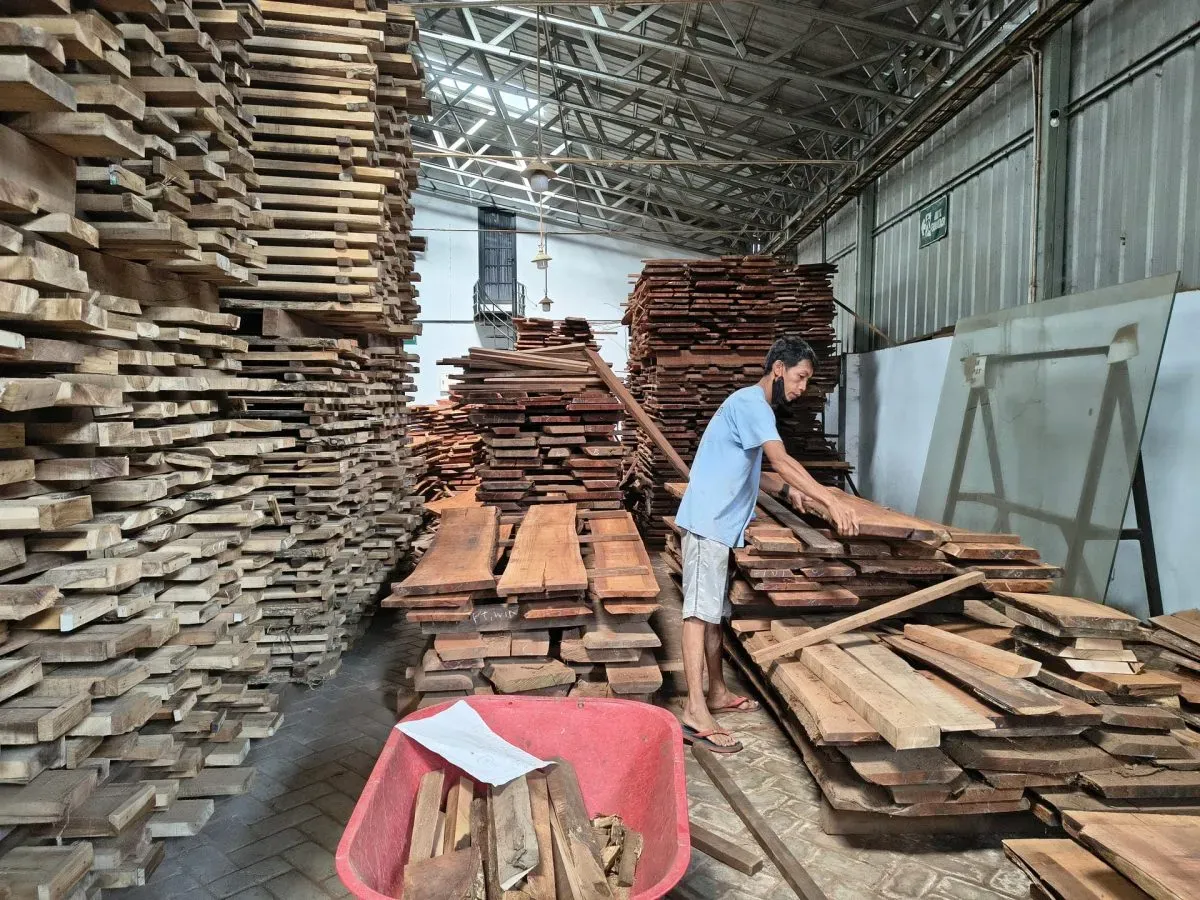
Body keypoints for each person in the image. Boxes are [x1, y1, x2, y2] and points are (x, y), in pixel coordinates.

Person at [673, 335, 860, 752]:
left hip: (718, 526)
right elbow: (780, 459)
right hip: (708, 523)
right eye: (799, 377)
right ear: (778, 369)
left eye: (807, 381)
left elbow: (760, 466)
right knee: (697, 615)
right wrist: (828, 499)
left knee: (713, 613)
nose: (801, 388)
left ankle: (717, 692)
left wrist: (794, 491)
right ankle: (694, 708)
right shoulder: (751, 404)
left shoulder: (753, 408)